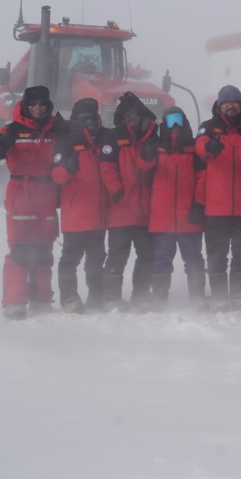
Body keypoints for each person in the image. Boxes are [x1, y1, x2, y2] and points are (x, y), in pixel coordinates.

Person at [0, 85, 63, 320]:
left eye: (41, 104)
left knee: (44, 249)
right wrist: (3, 140)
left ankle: (41, 298)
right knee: (19, 250)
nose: (37, 107)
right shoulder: (12, 129)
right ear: (26, 105)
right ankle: (14, 301)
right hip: (21, 192)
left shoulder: (56, 130)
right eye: (33, 104)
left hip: (47, 193)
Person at [194, 85, 241, 312]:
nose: (230, 106)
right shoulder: (208, 127)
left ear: (240, 105)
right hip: (216, 207)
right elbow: (199, 146)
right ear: (219, 105)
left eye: (234, 102)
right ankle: (220, 295)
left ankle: (239, 294)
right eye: (226, 103)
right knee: (216, 253)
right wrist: (208, 146)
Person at [50, 98, 113, 313]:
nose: (88, 123)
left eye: (91, 118)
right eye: (82, 119)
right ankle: (69, 298)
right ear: (75, 121)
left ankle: (96, 296)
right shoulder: (66, 142)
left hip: (99, 215)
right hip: (75, 215)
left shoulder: (104, 140)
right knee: (70, 260)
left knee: (96, 259)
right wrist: (67, 168)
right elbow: (55, 175)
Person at [145, 105, 207, 311]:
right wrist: (146, 154)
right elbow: (143, 168)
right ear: (163, 123)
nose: (174, 126)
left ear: (185, 121)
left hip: (189, 215)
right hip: (162, 217)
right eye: (170, 121)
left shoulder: (193, 148)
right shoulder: (155, 147)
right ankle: (159, 296)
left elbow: (202, 178)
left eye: (178, 120)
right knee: (161, 259)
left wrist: (199, 204)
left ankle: (197, 296)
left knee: (194, 258)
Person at [100, 92, 158, 312]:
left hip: (144, 211)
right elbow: (106, 167)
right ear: (121, 117)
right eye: (127, 115)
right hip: (120, 210)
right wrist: (117, 192)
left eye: (135, 113)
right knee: (117, 256)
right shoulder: (113, 137)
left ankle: (141, 296)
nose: (131, 118)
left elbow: (150, 167)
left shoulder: (150, 137)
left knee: (147, 256)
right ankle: (111, 297)